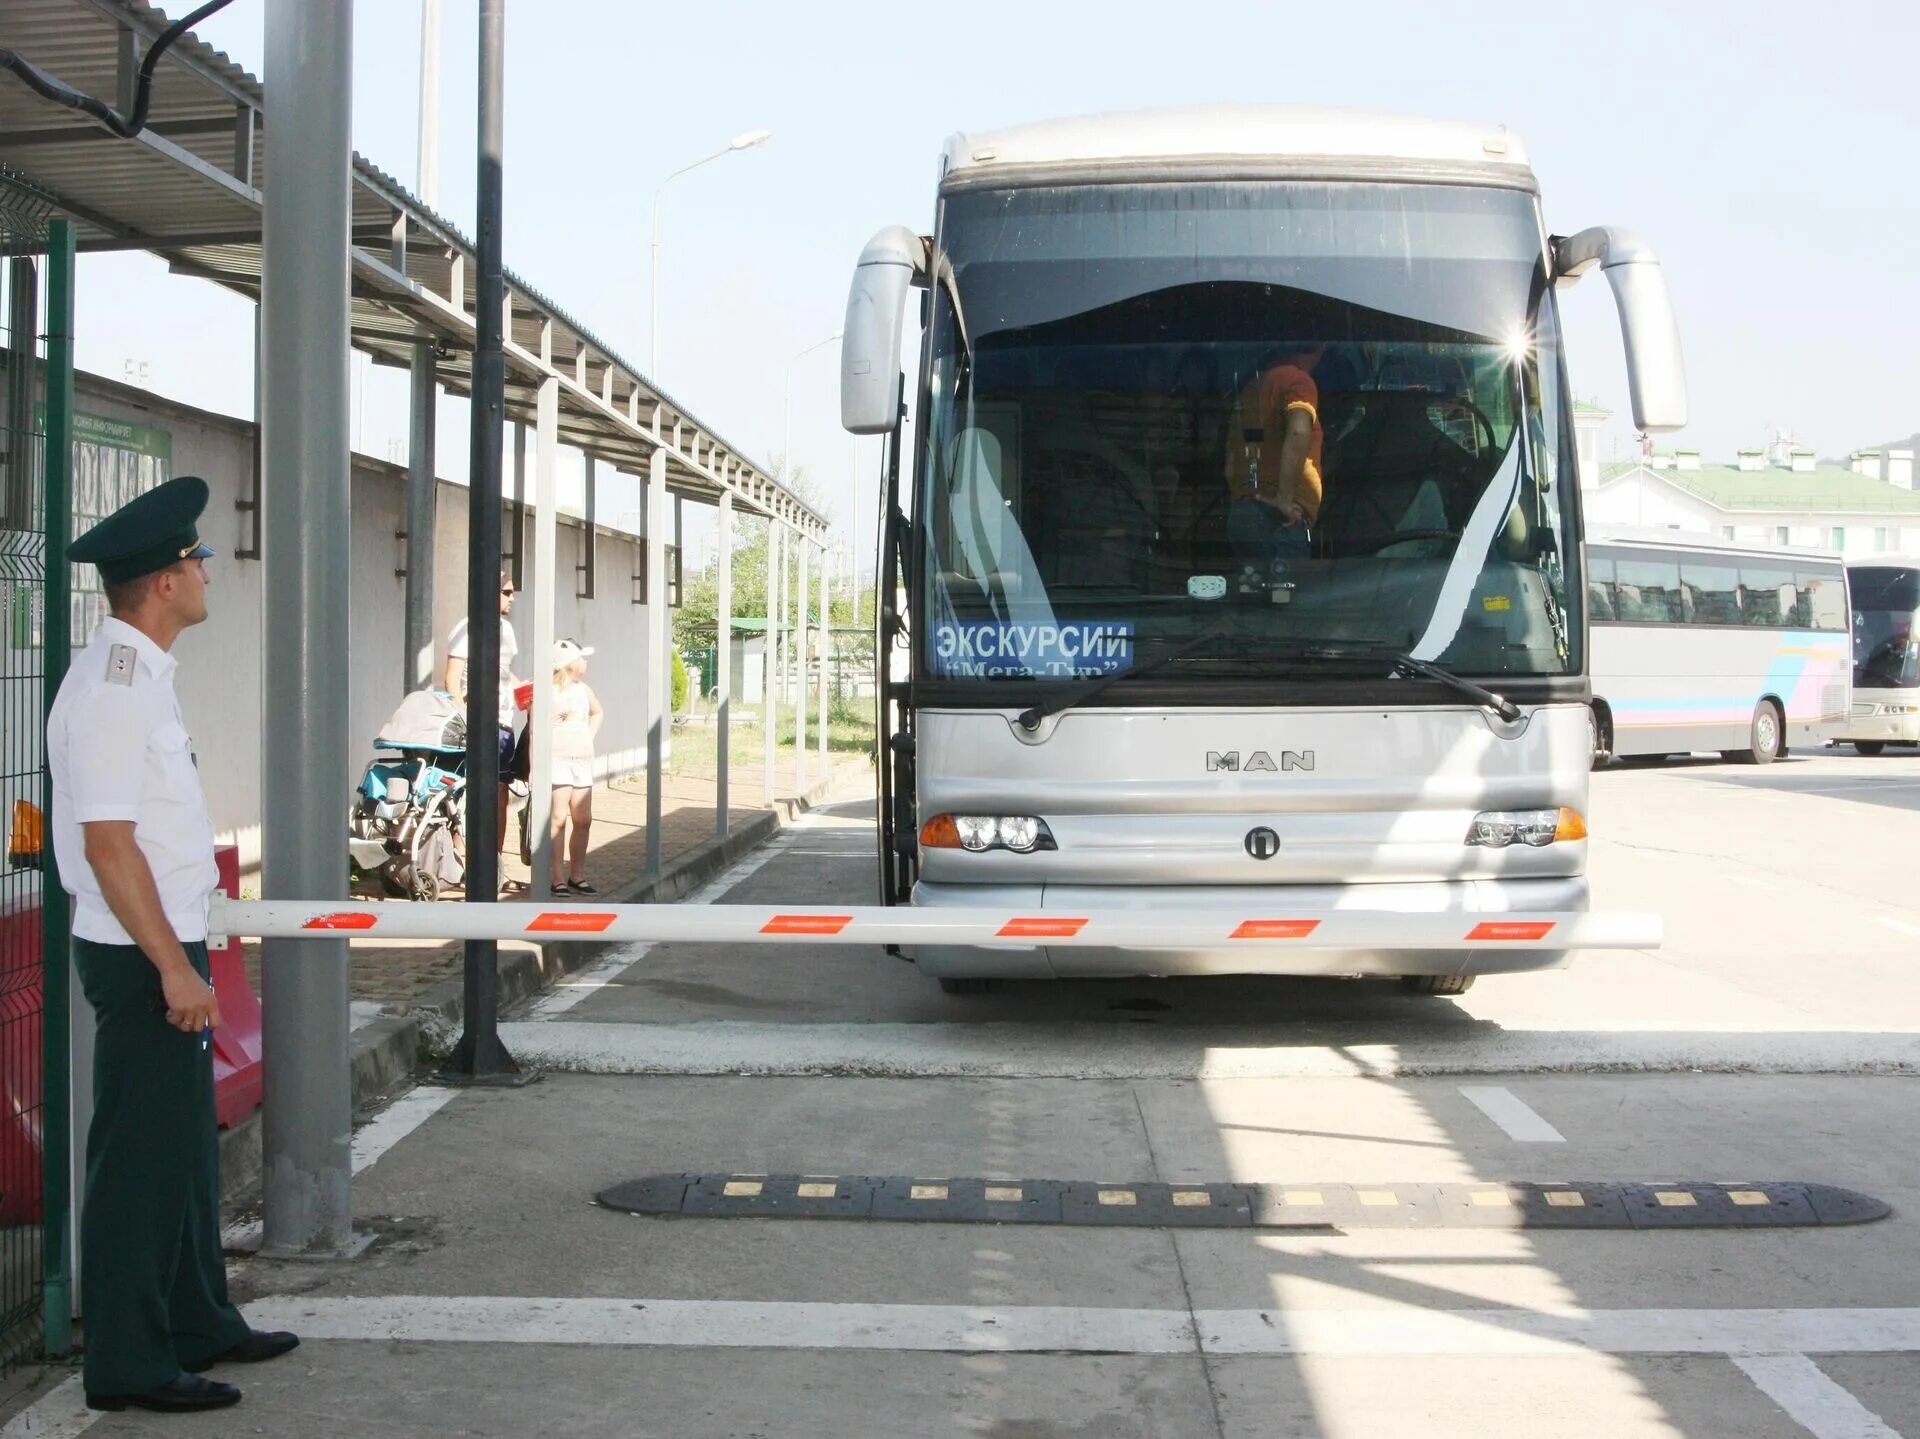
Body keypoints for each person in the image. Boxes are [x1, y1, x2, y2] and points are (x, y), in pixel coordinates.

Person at [47, 476, 298, 1414]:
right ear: (160, 582)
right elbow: (110, 846)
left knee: (184, 1154)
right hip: (140, 954)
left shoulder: (145, 675)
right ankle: (125, 1361)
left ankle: (198, 1316)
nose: (204, 572)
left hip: (169, 942)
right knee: (141, 1164)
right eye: (194, 560)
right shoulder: (114, 691)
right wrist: (170, 967)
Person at [1224, 344, 1326, 592]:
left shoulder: (1250, 389)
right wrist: (1284, 498)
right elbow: (1300, 429)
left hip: (1243, 514)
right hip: (1279, 522)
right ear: (1318, 347)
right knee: (1287, 613)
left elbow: (1229, 467)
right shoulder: (1297, 381)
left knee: (1253, 608)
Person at [443, 569, 520, 873]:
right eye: (506, 592)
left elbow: (505, 672)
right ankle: (463, 855)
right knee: (470, 790)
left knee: (500, 792)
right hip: (476, 724)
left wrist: (524, 692)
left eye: (512, 592)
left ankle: (494, 860)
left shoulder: (508, 631)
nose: (511, 598)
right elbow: (451, 680)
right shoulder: (467, 629)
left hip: (504, 721)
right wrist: (466, 717)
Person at [547, 638, 603, 895]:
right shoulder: (548, 691)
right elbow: (536, 726)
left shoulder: (583, 689)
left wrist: (587, 737)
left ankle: (577, 874)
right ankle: (556, 877)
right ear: (568, 665)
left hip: (581, 762)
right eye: (582, 658)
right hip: (557, 761)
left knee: (583, 818)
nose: (586, 662)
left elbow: (597, 712)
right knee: (558, 818)